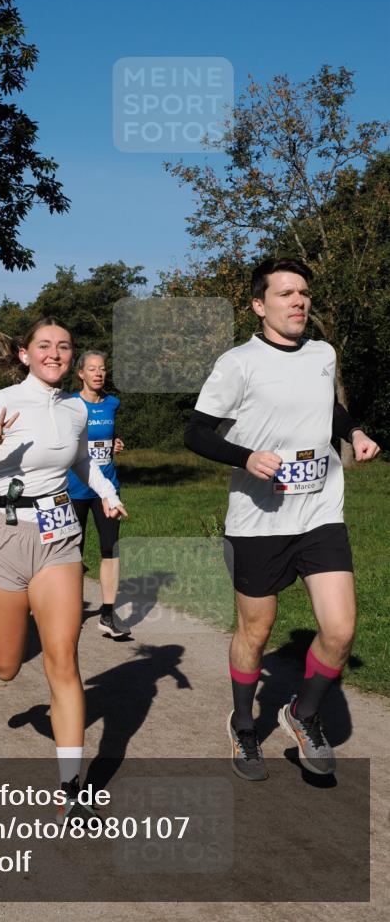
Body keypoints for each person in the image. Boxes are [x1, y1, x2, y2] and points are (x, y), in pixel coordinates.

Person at [184, 257, 381, 782]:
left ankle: (303, 713)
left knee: (339, 630)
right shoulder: (238, 363)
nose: (299, 301)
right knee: (258, 629)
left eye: (304, 293)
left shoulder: (323, 353)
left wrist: (354, 432)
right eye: (286, 293)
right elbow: (197, 433)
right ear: (259, 304)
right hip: (257, 521)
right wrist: (244, 457)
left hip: (319, 511)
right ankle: (245, 724)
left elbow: (326, 409)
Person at [0, 318, 127, 816]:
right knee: (6, 667)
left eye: (63, 346)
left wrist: (108, 495)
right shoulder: (1, 401)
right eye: (44, 346)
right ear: (24, 354)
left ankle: (71, 787)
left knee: (63, 659)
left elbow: (83, 464)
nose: (55, 354)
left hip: (58, 535)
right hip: (2, 532)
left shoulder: (74, 409)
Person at [66, 351, 126, 637]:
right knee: (71, 552)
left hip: (107, 489)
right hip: (74, 489)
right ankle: (69, 609)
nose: (99, 374)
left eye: (102, 369)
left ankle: (108, 614)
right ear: (81, 374)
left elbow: (107, 438)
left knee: (110, 549)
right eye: (92, 369)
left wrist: (114, 443)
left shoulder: (112, 404)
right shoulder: (68, 405)